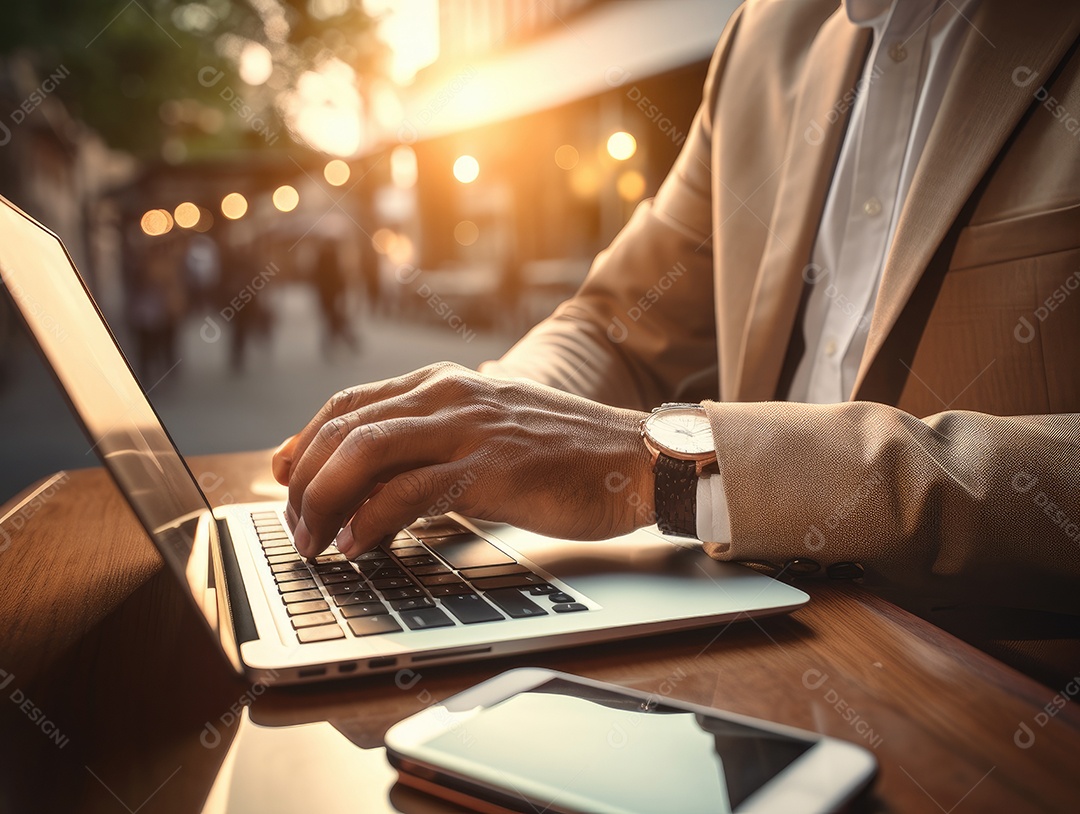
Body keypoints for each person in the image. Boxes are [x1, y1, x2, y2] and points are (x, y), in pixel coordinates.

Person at [272, 0, 1080, 671]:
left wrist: (668, 473)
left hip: (994, 685)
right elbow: (614, 325)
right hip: (748, 636)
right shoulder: (772, 36)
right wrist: (477, 429)